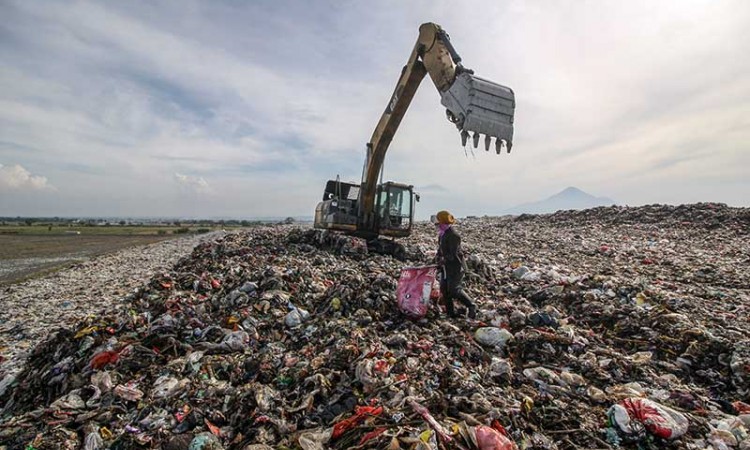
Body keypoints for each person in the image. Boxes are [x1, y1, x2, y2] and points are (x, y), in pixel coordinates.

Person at [432, 210, 477, 319]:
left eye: (438, 223)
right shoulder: (442, 235)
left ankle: (471, 306)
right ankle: (450, 313)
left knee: (454, 289)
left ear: (443, 223)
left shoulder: (453, 235)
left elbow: (453, 254)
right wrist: (437, 258)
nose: (437, 226)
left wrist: (443, 259)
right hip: (446, 268)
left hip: (456, 267)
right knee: (444, 290)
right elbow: (440, 250)